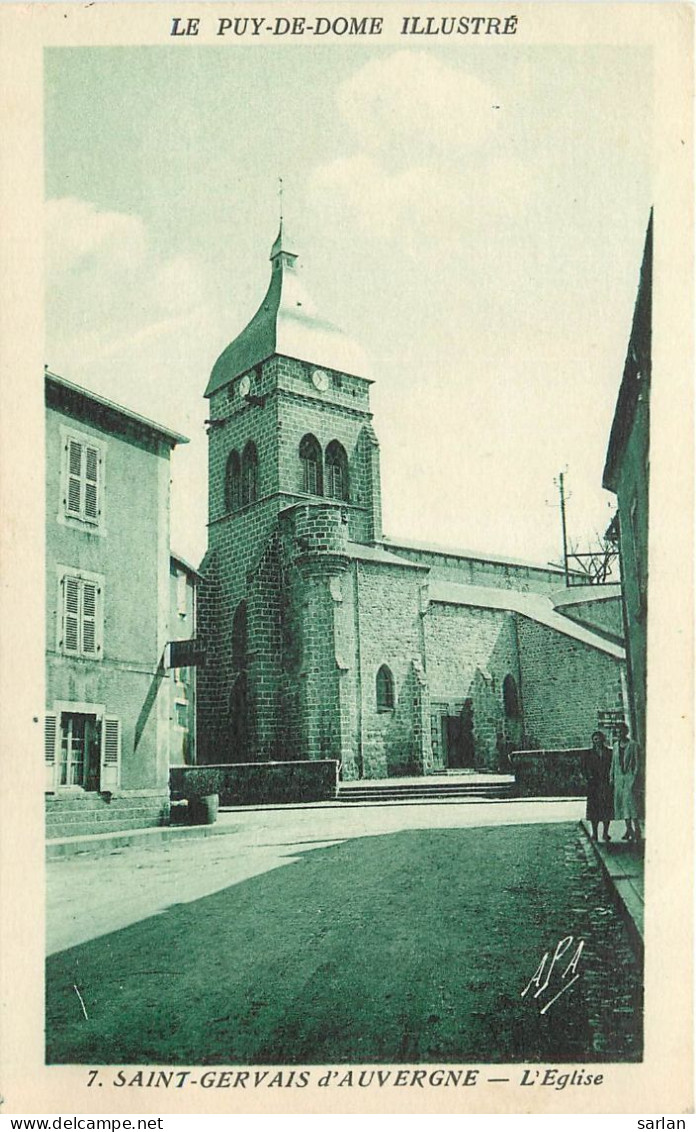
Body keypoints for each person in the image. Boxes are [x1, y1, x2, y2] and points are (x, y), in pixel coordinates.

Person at [610, 722, 643, 842]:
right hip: (619, 779)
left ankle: (637, 829)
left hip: (630, 778)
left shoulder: (633, 745)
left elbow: (637, 763)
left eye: (621, 732)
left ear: (626, 732)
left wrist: (634, 777)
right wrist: (612, 777)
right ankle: (629, 830)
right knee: (622, 805)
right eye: (617, 732)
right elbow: (613, 764)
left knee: (631, 805)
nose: (619, 734)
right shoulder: (615, 746)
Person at [583, 730, 613, 841]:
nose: (597, 741)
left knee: (606, 810)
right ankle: (594, 833)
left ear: (603, 740)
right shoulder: (588, 754)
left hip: (605, 784)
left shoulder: (609, 753)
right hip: (594, 786)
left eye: (599, 739)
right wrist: (588, 777)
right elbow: (584, 768)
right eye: (595, 739)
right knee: (594, 810)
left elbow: (612, 767)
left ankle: (605, 833)